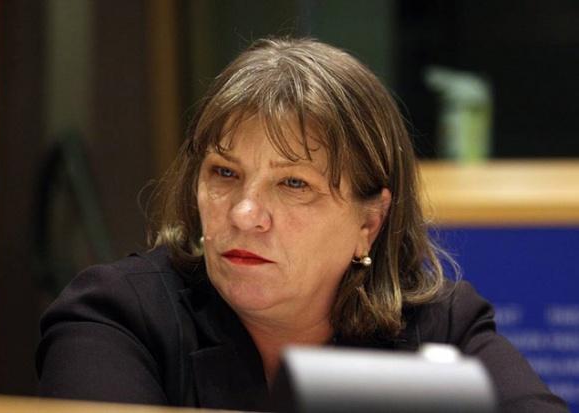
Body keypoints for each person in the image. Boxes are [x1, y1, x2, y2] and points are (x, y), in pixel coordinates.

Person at [36, 38, 568, 412]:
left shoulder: (444, 326)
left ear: (370, 222)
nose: (244, 213)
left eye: (293, 184)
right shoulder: (115, 315)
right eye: (224, 173)